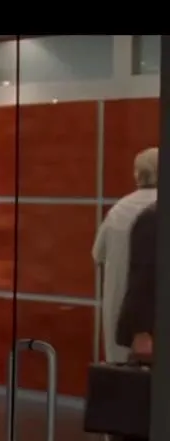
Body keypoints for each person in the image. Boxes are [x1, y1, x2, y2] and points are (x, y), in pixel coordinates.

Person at [100, 201, 158, 441]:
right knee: (141, 399)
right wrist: (142, 332)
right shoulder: (153, 218)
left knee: (145, 401)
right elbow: (143, 279)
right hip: (151, 327)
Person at [93, 148, 157, 364]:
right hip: (152, 314)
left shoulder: (118, 210)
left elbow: (98, 254)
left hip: (119, 307)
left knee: (120, 373)